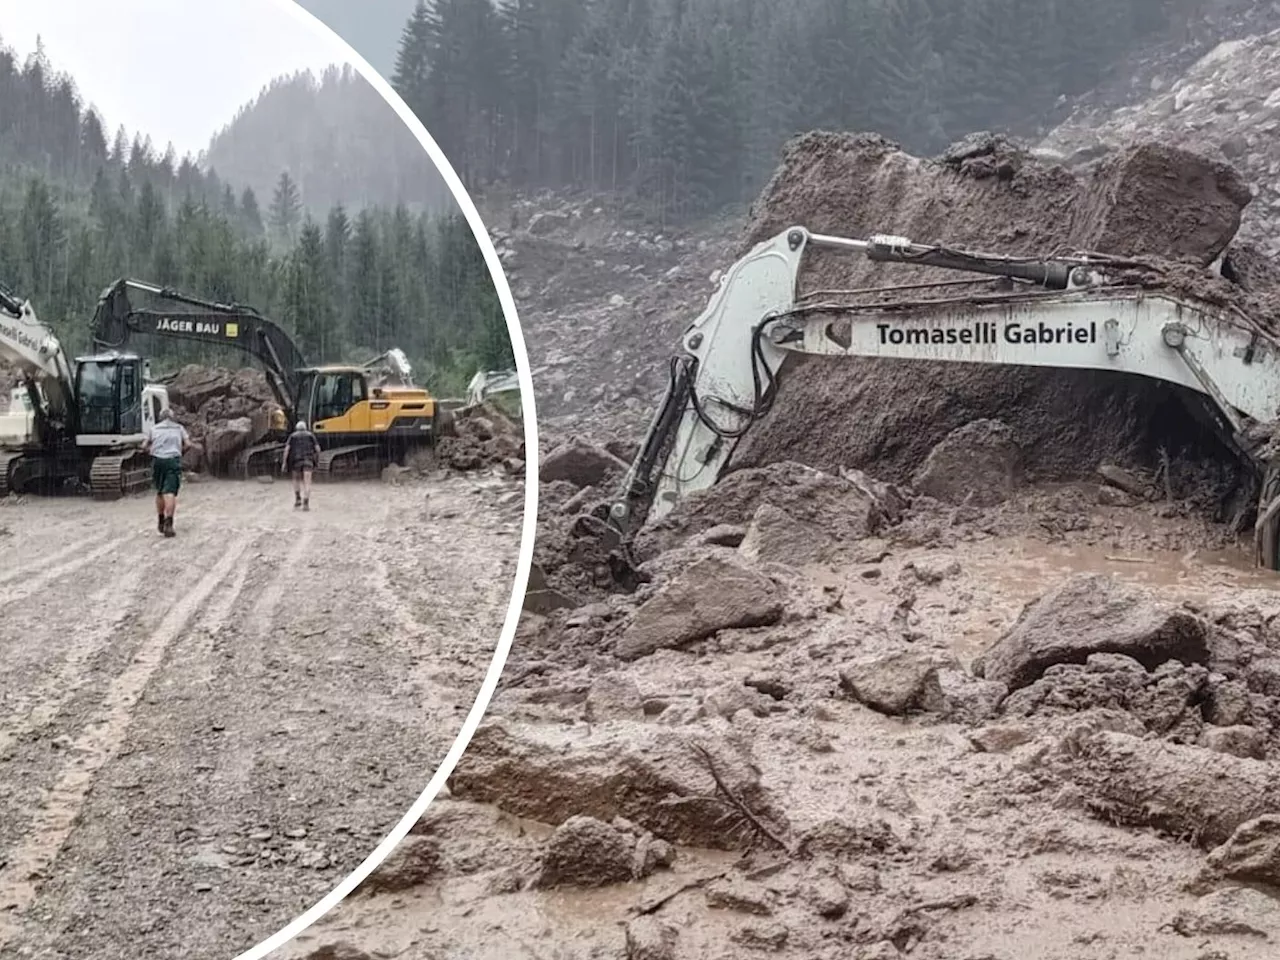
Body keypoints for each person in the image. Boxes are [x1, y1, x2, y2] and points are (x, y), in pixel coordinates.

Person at [142, 408, 191, 538]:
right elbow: (188, 444)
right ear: (172, 417)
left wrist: (151, 451)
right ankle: (168, 524)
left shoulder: (153, 429)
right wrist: (180, 451)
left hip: (158, 461)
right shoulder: (179, 428)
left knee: (159, 491)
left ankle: (160, 520)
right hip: (172, 460)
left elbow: (144, 445)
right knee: (169, 492)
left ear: (160, 417)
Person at [281, 420, 320, 510]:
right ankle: (306, 503)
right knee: (307, 482)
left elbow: (287, 449)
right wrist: (317, 459)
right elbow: (318, 449)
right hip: (308, 461)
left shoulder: (292, 436)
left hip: (295, 462)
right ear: (305, 427)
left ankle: (298, 499)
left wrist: (284, 463)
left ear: (297, 428)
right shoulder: (311, 435)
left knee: (296, 480)